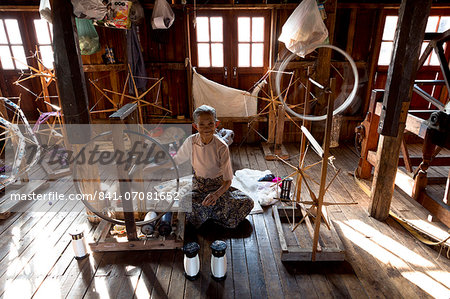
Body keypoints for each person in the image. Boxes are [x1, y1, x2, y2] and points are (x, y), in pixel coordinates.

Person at [173, 105, 254, 228]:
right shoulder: (191, 141)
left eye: (210, 124)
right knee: (185, 201)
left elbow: (227, 181)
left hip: (218, 186)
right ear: (195, 126)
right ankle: (213, 213)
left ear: (216, 124)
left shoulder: (221, 146)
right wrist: (155, 166)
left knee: (248, 202)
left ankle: (208, 214)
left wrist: (216, 195)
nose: (206, 128)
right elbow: (176, 160)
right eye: (202, 125)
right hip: (199, 187)